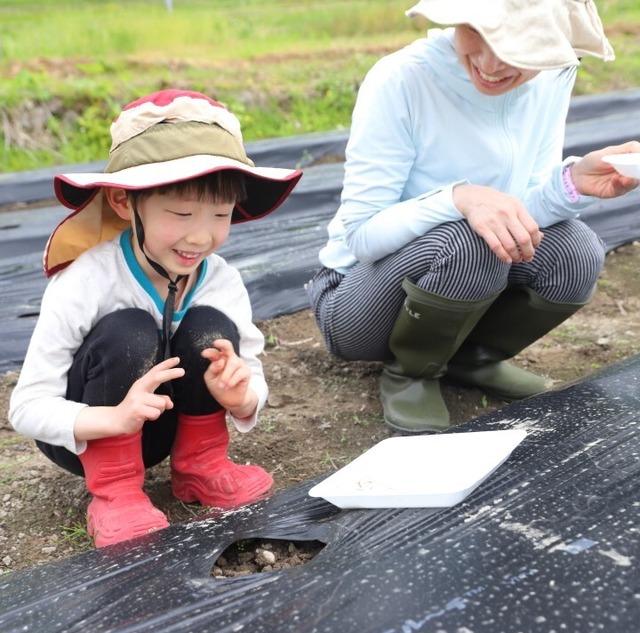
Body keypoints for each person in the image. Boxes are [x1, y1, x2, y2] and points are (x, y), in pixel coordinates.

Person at [308, 0, 640, 435]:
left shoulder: (552, 75)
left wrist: (574, 183)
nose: (489, 63)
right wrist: (458, 198)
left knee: (577, 250)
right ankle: (411, 372)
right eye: (476, 32)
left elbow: (520, 211)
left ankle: (471, 357)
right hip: (358, 302)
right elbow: (362, 237)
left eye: (518, 50)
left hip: (467, 273)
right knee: (468, 242)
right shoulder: (403, 79)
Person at [8, 89, 302, 548]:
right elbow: (25, 408)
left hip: (166, 425)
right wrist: (111, 418)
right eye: (181, 213)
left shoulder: (221, 280)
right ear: (126, 203)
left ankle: (200, 466)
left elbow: (253, 373)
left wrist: (243, 397)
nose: (201, 235)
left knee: (210, 327)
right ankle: (116, 492)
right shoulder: (87, 281)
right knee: (129, 332)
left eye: (220, 215)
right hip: (90, 430)